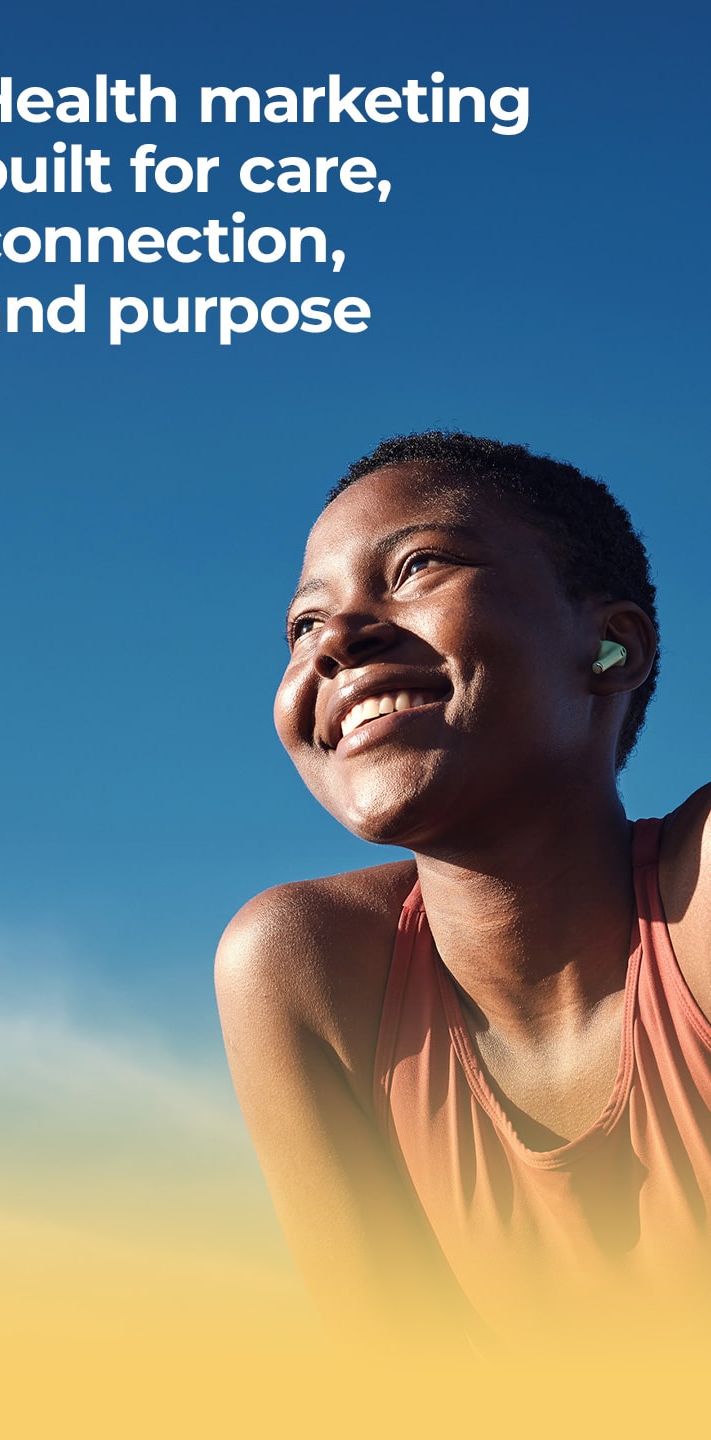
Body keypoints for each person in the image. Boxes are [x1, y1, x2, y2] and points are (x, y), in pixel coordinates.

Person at [215, 431, 711, 1354]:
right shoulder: (305, 967)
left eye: (417, 566)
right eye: (302, 625)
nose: (337, 641)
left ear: (611, 646)